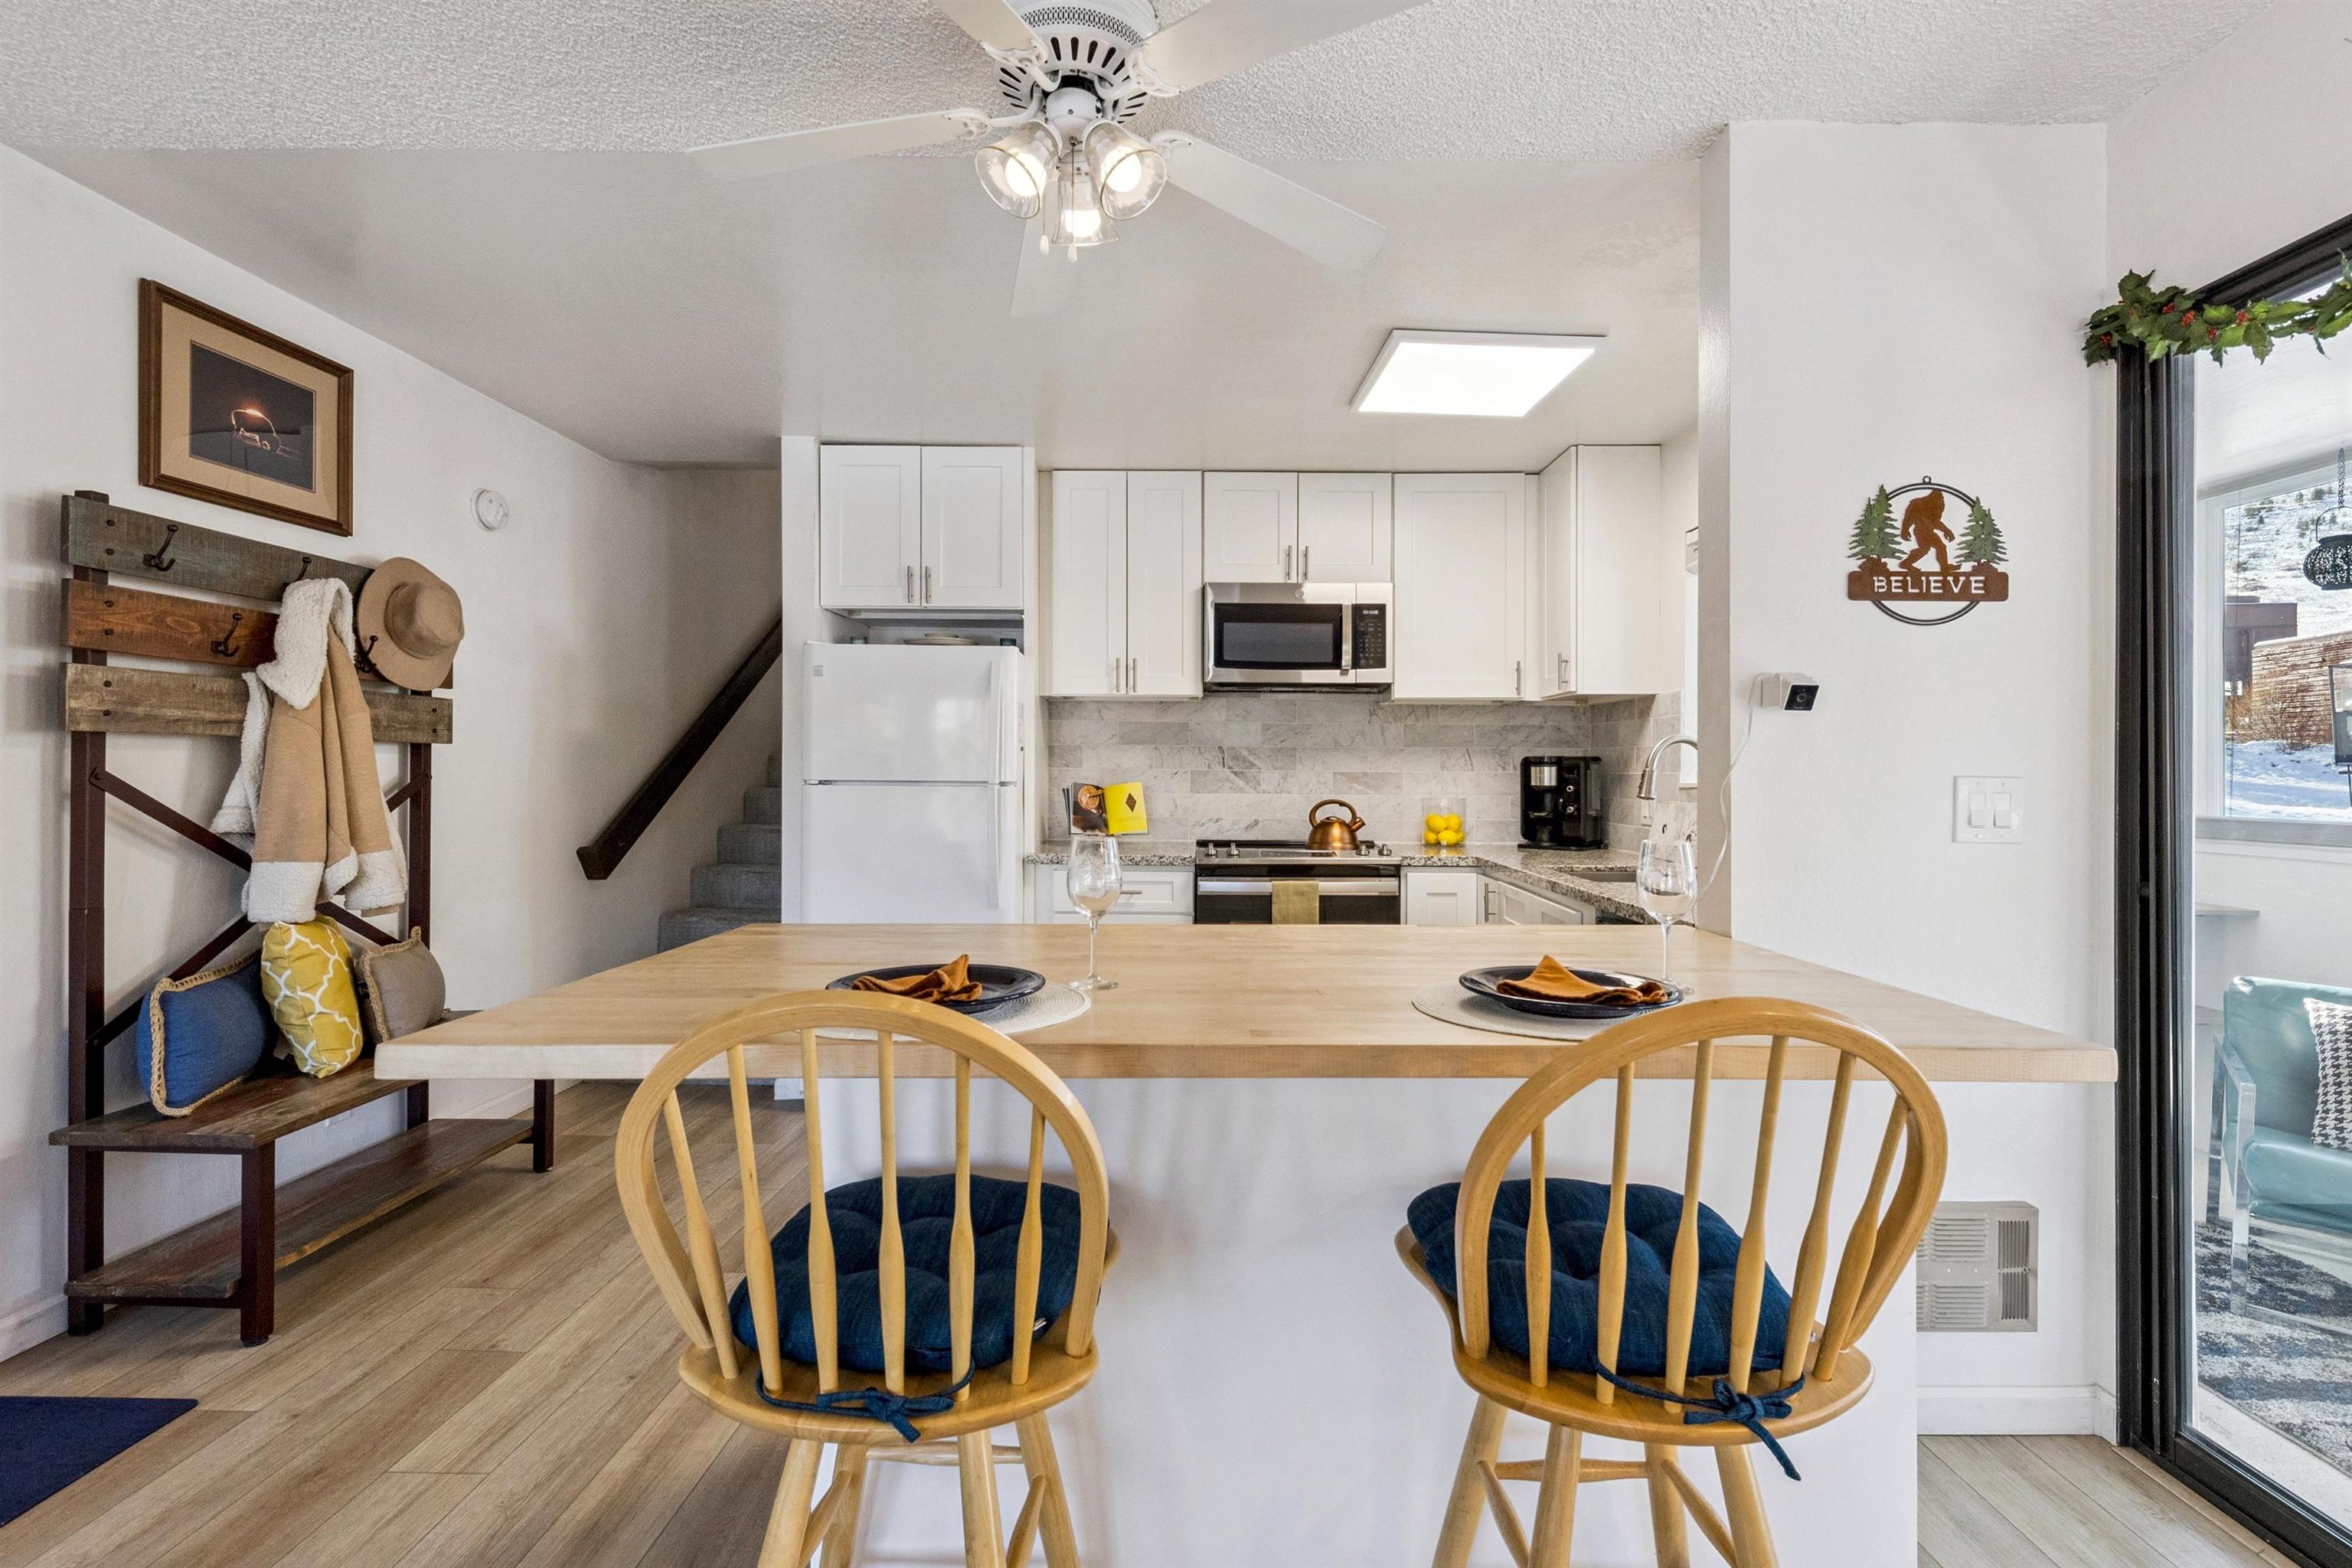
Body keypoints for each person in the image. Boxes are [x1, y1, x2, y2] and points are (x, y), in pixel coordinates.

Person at [1898, 490, 1956, 573]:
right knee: (1928, 548)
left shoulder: (1937, 506)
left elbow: (1935, 522)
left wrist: (1947, 531)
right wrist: (1905, 530)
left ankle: (1945, 567)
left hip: (1929, 531)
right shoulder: (1918, 504)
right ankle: (1906, 563)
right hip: (1921, 531)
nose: (1940, 501)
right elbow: (1909, 518)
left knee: (1937, 547)